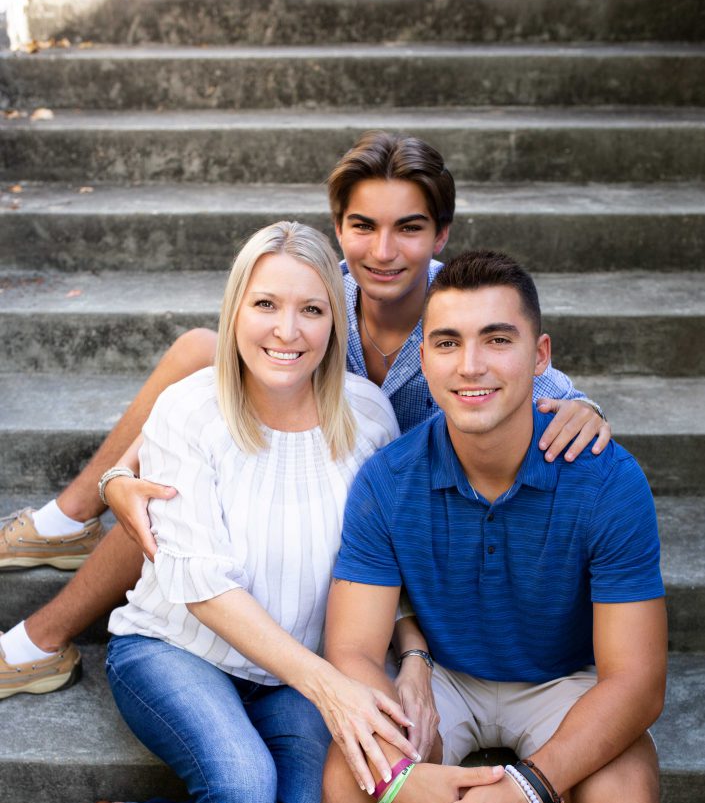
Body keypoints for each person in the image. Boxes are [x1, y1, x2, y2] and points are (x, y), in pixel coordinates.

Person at [0, 132, 610, 700]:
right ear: (339, 229)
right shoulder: (322, 292)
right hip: (299, 461)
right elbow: (213, 399)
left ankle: (69, 539)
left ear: (441, 235)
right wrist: (120, 479)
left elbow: (541, 382)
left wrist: (585, 408)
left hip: (385, 510)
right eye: (362, 226)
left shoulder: (462, 314)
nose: (384, 251)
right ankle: (71, 524)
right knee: (194, 379)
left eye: (410, 228)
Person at [26, 221, 446, 803]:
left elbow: (390, 566)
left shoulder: (366, 419)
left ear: (336, 321)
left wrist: (413, 653)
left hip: (294, 666)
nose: (287, 331)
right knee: (244, 787)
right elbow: (198, 584)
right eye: (265, 304)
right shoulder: (188, 411)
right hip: (176, 649)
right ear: (235, 307)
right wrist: (329, 685)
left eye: (311, 311)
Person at [320, 249, 667, 803]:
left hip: (564, 679)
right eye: (445, 342)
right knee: (350, 783)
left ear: (540, 356)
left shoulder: (607, 478)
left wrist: (528, 788)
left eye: (496, 339)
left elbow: (637, 681)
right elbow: (349, 651)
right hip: (440, 673)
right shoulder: (387, 477)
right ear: (425, 354)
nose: (469, 364)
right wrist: (397, 776)